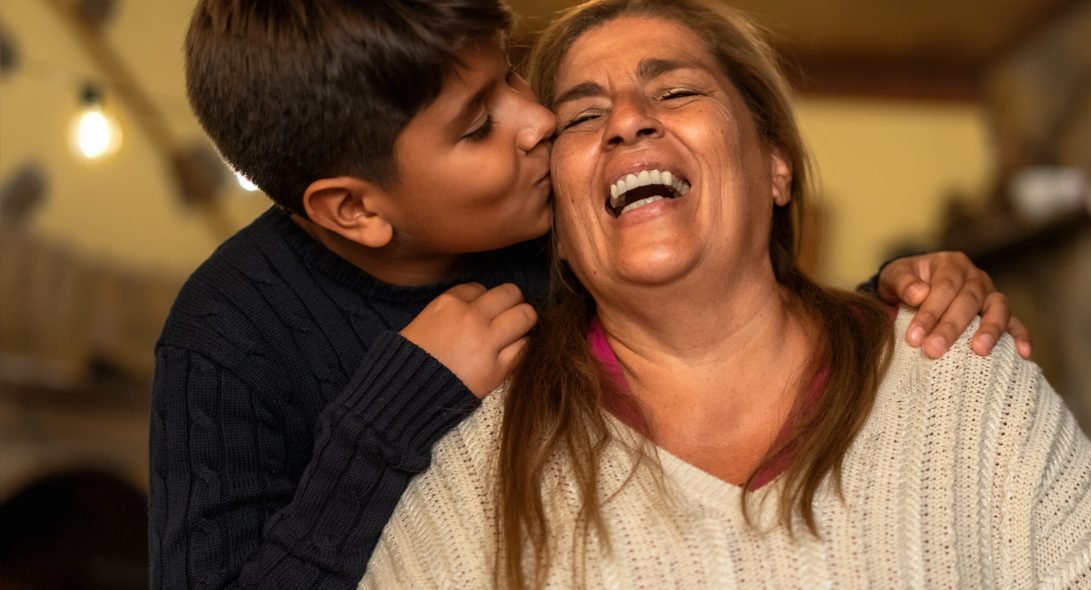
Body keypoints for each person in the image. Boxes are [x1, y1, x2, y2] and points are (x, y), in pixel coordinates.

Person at [154, 0, 1029, 587]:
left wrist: (884, 306)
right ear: (354, 209)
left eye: (512, 78)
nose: (536, 122)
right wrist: (392, 414)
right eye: (477, 124)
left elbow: (725, 297)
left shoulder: (551, 219)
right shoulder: (227, 339)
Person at [358, 0, 1091, 588]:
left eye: (675, 92)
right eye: (582, 115)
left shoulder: (960, 378)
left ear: (776, 165)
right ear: (560, 219)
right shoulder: (474, 467)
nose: (629, 122)